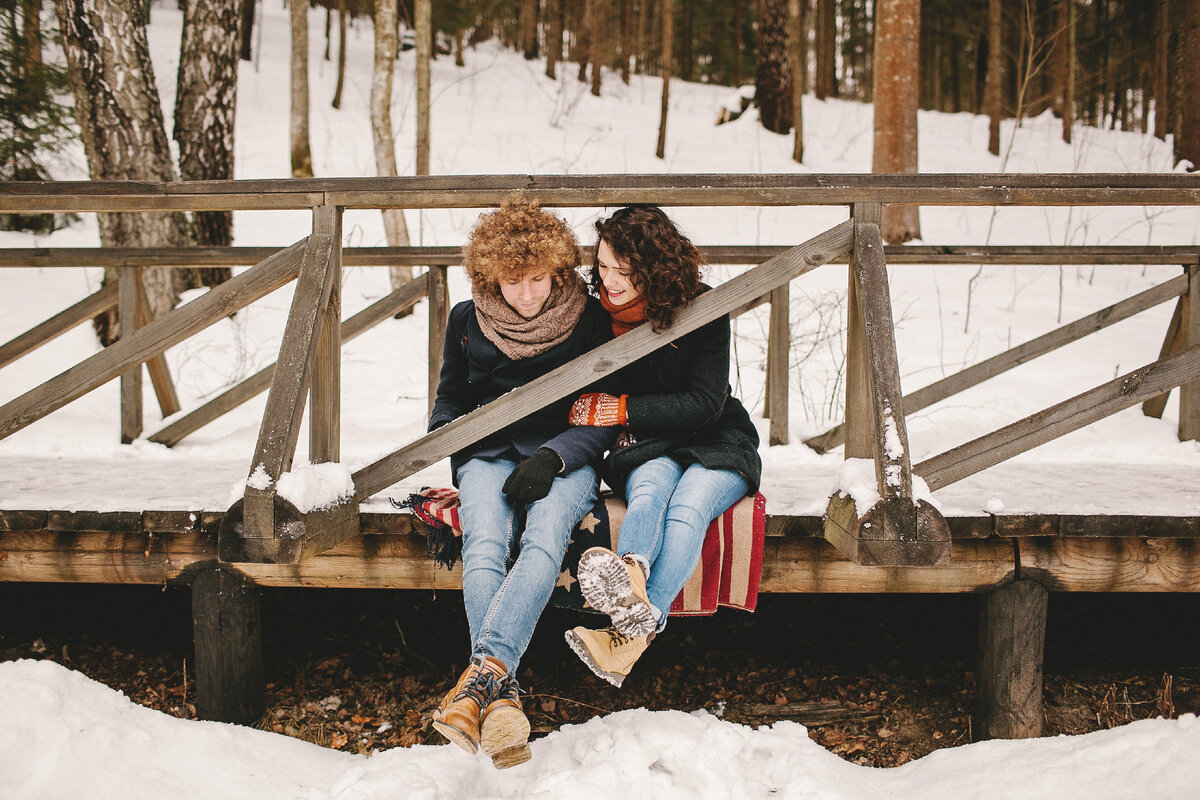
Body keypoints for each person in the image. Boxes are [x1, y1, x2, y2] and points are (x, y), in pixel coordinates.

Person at [428, 199, 617, 768]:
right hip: (487, 454)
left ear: (557, 270)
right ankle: (501, 692)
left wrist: (557, 457)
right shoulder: (467, 318)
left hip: (562, 457)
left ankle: (478, 686)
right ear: (491, 276)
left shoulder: (588, 318)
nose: (528, 294)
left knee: (542, 540)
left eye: (538, 279)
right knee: (485, 542)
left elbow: (601, 412)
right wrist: (456, 443)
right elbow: (449, 401)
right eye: (514, 282)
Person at [564, 205, 762, 688]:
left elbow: (706, 401)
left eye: (624, 272)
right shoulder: (596, 316)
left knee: (688, 508)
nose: (609, 281)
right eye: (603, 267)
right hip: (648, 446)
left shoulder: (703, 307)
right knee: (651, 491)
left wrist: (623, 408)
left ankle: (628, 635)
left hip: (717, 440)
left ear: (653, 270)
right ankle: (629, 580)